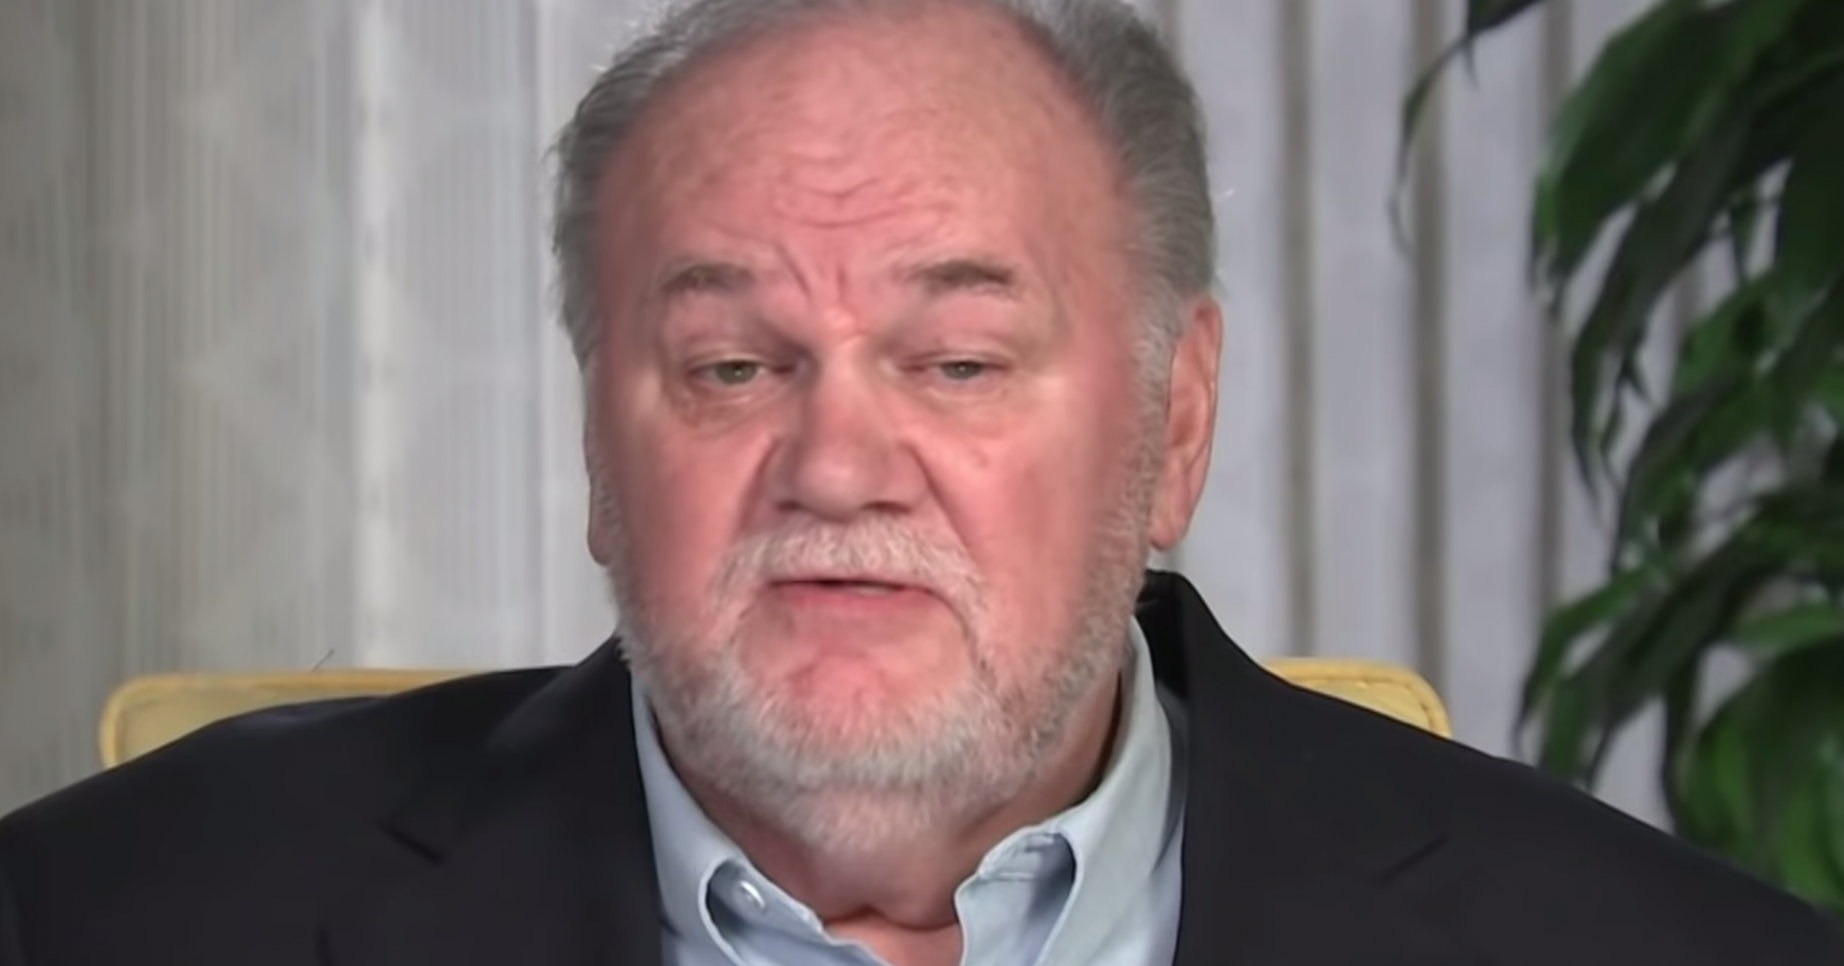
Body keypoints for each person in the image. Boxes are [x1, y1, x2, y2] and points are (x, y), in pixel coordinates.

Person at [2, 0, 1840, 963]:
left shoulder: (1653, 950)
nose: (836, 463)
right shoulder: (104, 917)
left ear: (1172, 424)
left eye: (958, 361)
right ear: (599, 445)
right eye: (731, 367)